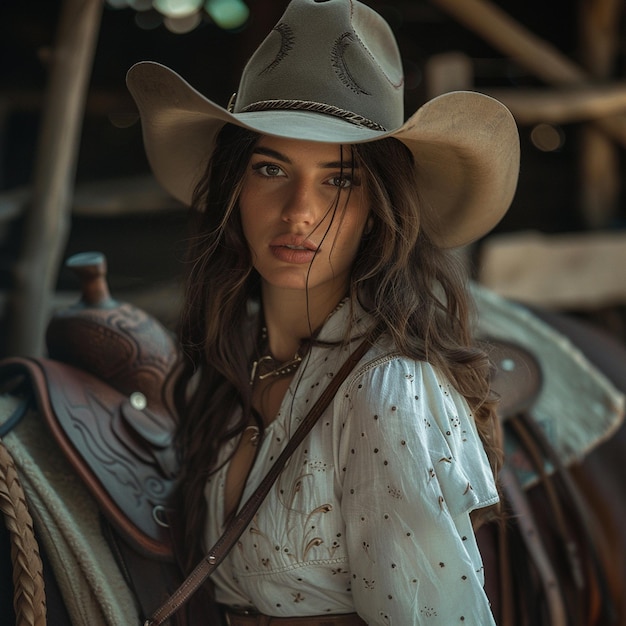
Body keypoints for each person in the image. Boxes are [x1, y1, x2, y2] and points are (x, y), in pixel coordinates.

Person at [126, 0, 520, 624]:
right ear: (235, 189)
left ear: (376, 211)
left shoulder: (386, 393)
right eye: (270, 168)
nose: (299, 211)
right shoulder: (229, 367)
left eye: (338, 179)